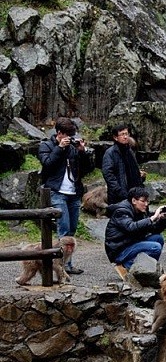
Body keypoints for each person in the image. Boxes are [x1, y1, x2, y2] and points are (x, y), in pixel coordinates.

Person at [38, 117, 94, 274]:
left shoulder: (73, 148)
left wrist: (83, 152)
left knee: (71, 231)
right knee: (63, 230)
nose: (70, 138)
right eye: (68, 135)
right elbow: (47, 165)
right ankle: (62, 267)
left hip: (74, 193)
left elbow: (87, 169)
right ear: (59, 133)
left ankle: (67, 263)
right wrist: (60, 148)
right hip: (57, 192)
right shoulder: (46, 146)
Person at [105, 187, 166, 278]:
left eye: (147, 201)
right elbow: (131, 227)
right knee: (155, 247)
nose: (146, 204)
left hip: (131, 242)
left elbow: (153, 229)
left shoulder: (139, 211)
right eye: (143, 201)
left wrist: (162, 219)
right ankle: (126, 266)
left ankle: (147, 270)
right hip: (119, 249)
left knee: (158, 238)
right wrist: (152, 217)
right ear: (134, 201)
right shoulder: (121, 211)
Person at [101, 123, 146, 205]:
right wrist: (119, 191)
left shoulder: (129, 151)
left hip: (135, 193)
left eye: (126, 134)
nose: (125, 137)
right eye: (122, 134)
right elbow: (108, 174)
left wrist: (139, 176)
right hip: (119, 196)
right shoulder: (110, 153)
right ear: (115, 137)